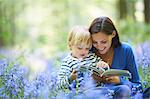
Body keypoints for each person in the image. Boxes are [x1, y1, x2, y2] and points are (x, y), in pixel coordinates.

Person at [89, 16, 143, 98]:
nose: (99, 46)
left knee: (124, 89)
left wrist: (120, 81)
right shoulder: (87, 51)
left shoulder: (125, 50)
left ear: (113, 34)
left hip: (118, 91)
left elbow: (138, 86)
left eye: (104, 42)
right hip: (94, 93)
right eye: (95, 42)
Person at [55, 26, 109, 94]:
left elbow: (102, 69)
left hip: (98, 90)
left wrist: (103, 65)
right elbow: (59, 85)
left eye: (87, 48)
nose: (83, 51)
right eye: (80, 48)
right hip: (80, 93)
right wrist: (70, 78)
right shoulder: (67, 62)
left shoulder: (91, 56)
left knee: (120, 89)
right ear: (70, 45)